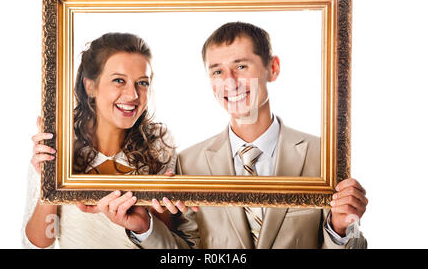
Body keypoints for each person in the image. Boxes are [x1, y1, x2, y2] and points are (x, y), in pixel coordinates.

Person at [96, 22, 368, 249]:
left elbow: (354, 243)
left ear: (272, 68)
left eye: (241, 66)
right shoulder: (189, 163)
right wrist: (146, 228)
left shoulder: (323, 155)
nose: (229, 81)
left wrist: (340, 230)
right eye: (217, 71)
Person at [22, 32, 179, 248]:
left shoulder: (158, 141)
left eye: (142, 82)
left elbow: (171, 246)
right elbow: (39, 243)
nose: (133, 94)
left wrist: (154, 214)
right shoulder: (58, 143)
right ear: (90, 86)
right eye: (118, 80)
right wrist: (48, 182)